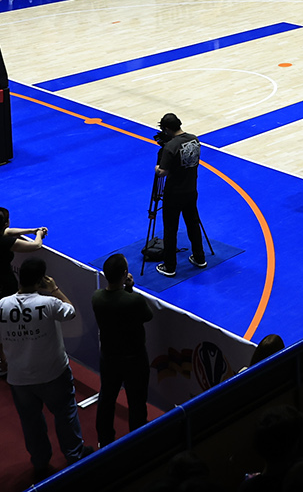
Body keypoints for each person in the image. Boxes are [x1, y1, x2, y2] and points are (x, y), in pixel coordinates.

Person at [0, 258, 88, 478]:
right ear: (42, 279)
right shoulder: (49, 303)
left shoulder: (2, 305)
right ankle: (74, 455)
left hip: (19, 378)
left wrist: (4, 360)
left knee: (31, 421)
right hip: (54, 373)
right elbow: (71, 311)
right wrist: (54, 289)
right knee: (65, 413)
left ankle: (40, 461)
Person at [91, 254, 153, 446]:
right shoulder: (134, 301)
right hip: (134, 359)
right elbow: (147, 315)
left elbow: (118, 304)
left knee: (107, 398)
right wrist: (130, 288)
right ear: (125, 273)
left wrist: (126, 289)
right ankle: (138, 441)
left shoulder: (97, 297)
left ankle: (104, 440)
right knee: (137, 402)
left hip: (109, 357)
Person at [0, 208, 48, 376]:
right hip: (4, 290)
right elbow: (36, 246)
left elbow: (9, 231)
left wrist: (32, 230)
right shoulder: (5, 243)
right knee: (6, 328)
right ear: (5, 223)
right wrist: (39, 234)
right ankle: (3, 364)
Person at [154, 113, 207, 276]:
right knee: (193, 224)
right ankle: (200, 257)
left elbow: (162, 172)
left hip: (174, 194)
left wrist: (157, 167)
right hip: (191, 190)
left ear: (166, 129)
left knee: (170, 229)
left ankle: (170, 266)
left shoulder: (170, 146)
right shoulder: (194, 140)